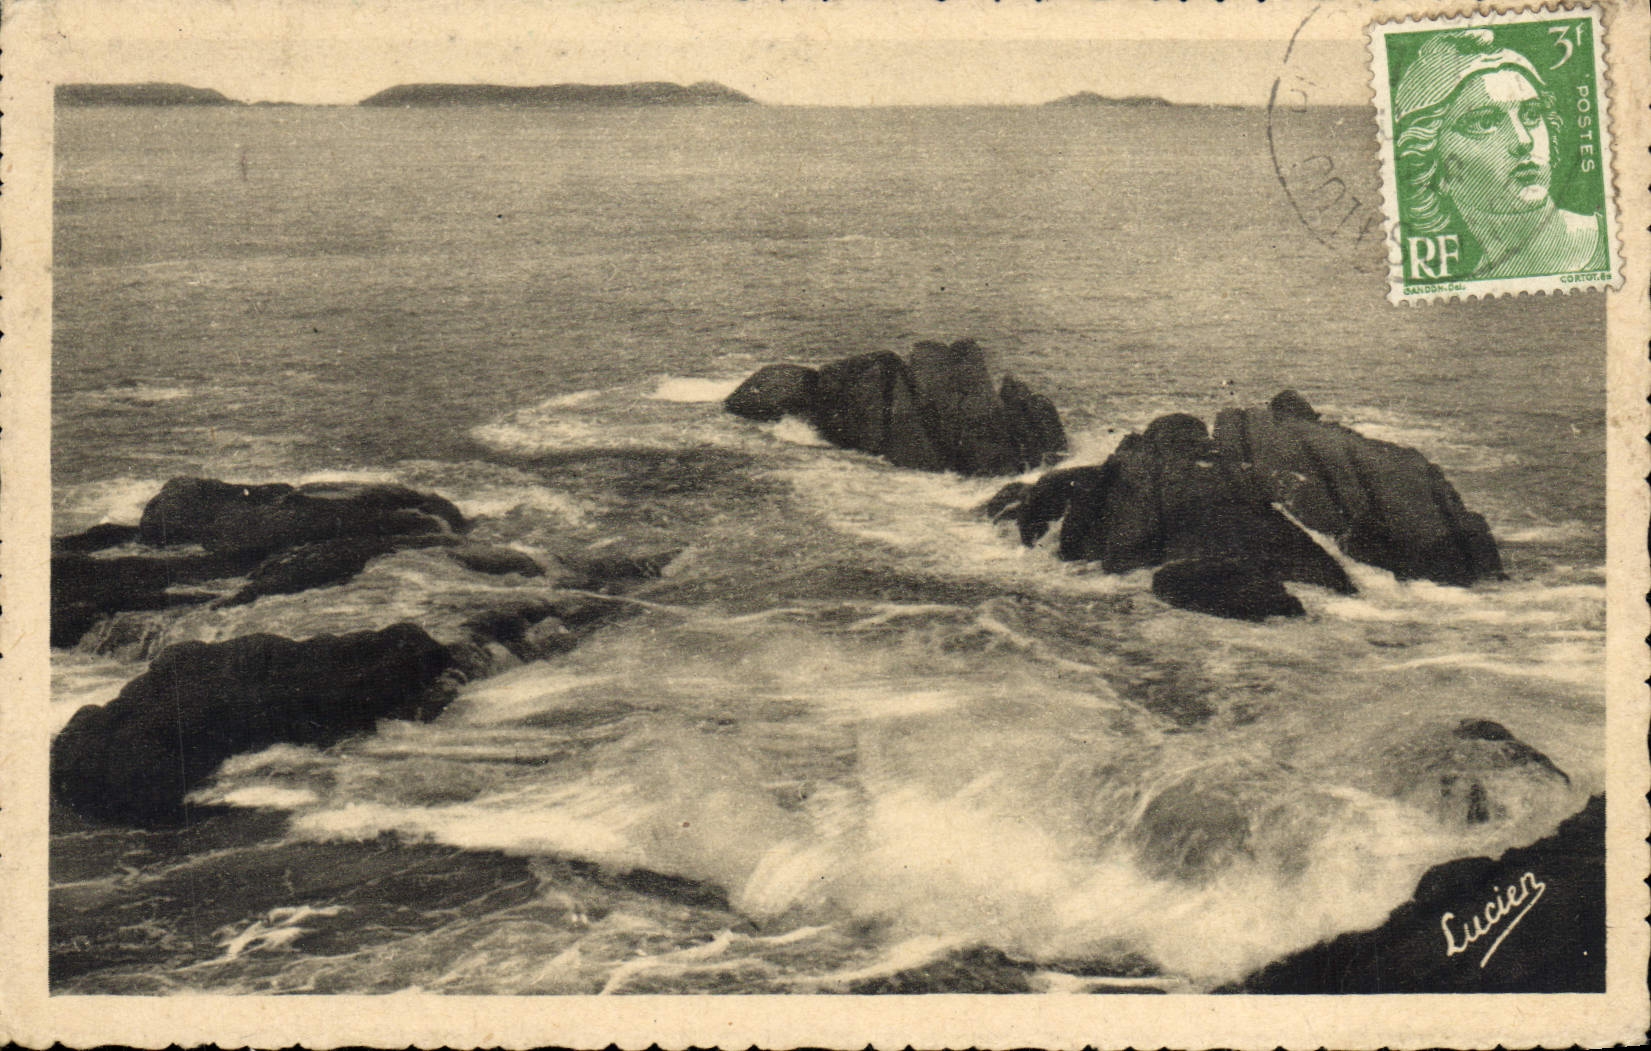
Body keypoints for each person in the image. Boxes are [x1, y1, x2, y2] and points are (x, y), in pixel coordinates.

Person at [1393, 29, 1607, 279]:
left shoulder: (1617, 238)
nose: (1523, 141)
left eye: (1531, 114)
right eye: (1484, 123)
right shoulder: (1474, 294)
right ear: (1432, 167)